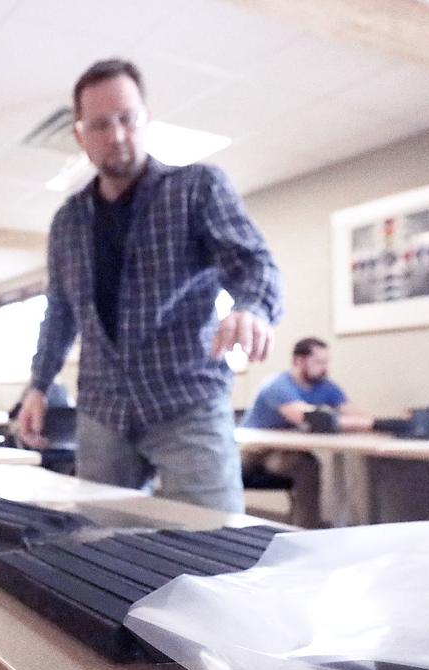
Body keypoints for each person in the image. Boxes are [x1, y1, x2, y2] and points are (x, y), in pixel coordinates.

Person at [18, 58, 282, 511]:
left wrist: (252, 307)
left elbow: (252, 260)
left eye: (127, 119)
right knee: (99, 551)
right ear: (80, 136)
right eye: (100, 125)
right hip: (102, 411)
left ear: (147, 119)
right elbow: (60, 312)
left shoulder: (197, 188)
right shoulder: (68, 221)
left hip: (187, 403)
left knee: (214, 547)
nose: (117, 135)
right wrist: (38, 385)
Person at [241, 336, 373, 527]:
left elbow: (353, 412)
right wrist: (367, 424)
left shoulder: (325, 387)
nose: (325, 368)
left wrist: (385, 423)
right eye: (319, 362)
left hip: (283, 452)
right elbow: (306, 416)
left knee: (306, 465)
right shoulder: (277, 386)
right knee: (222, 471)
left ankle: (304, 531)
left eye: (327, 362)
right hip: (252, 451)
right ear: (298, 361)